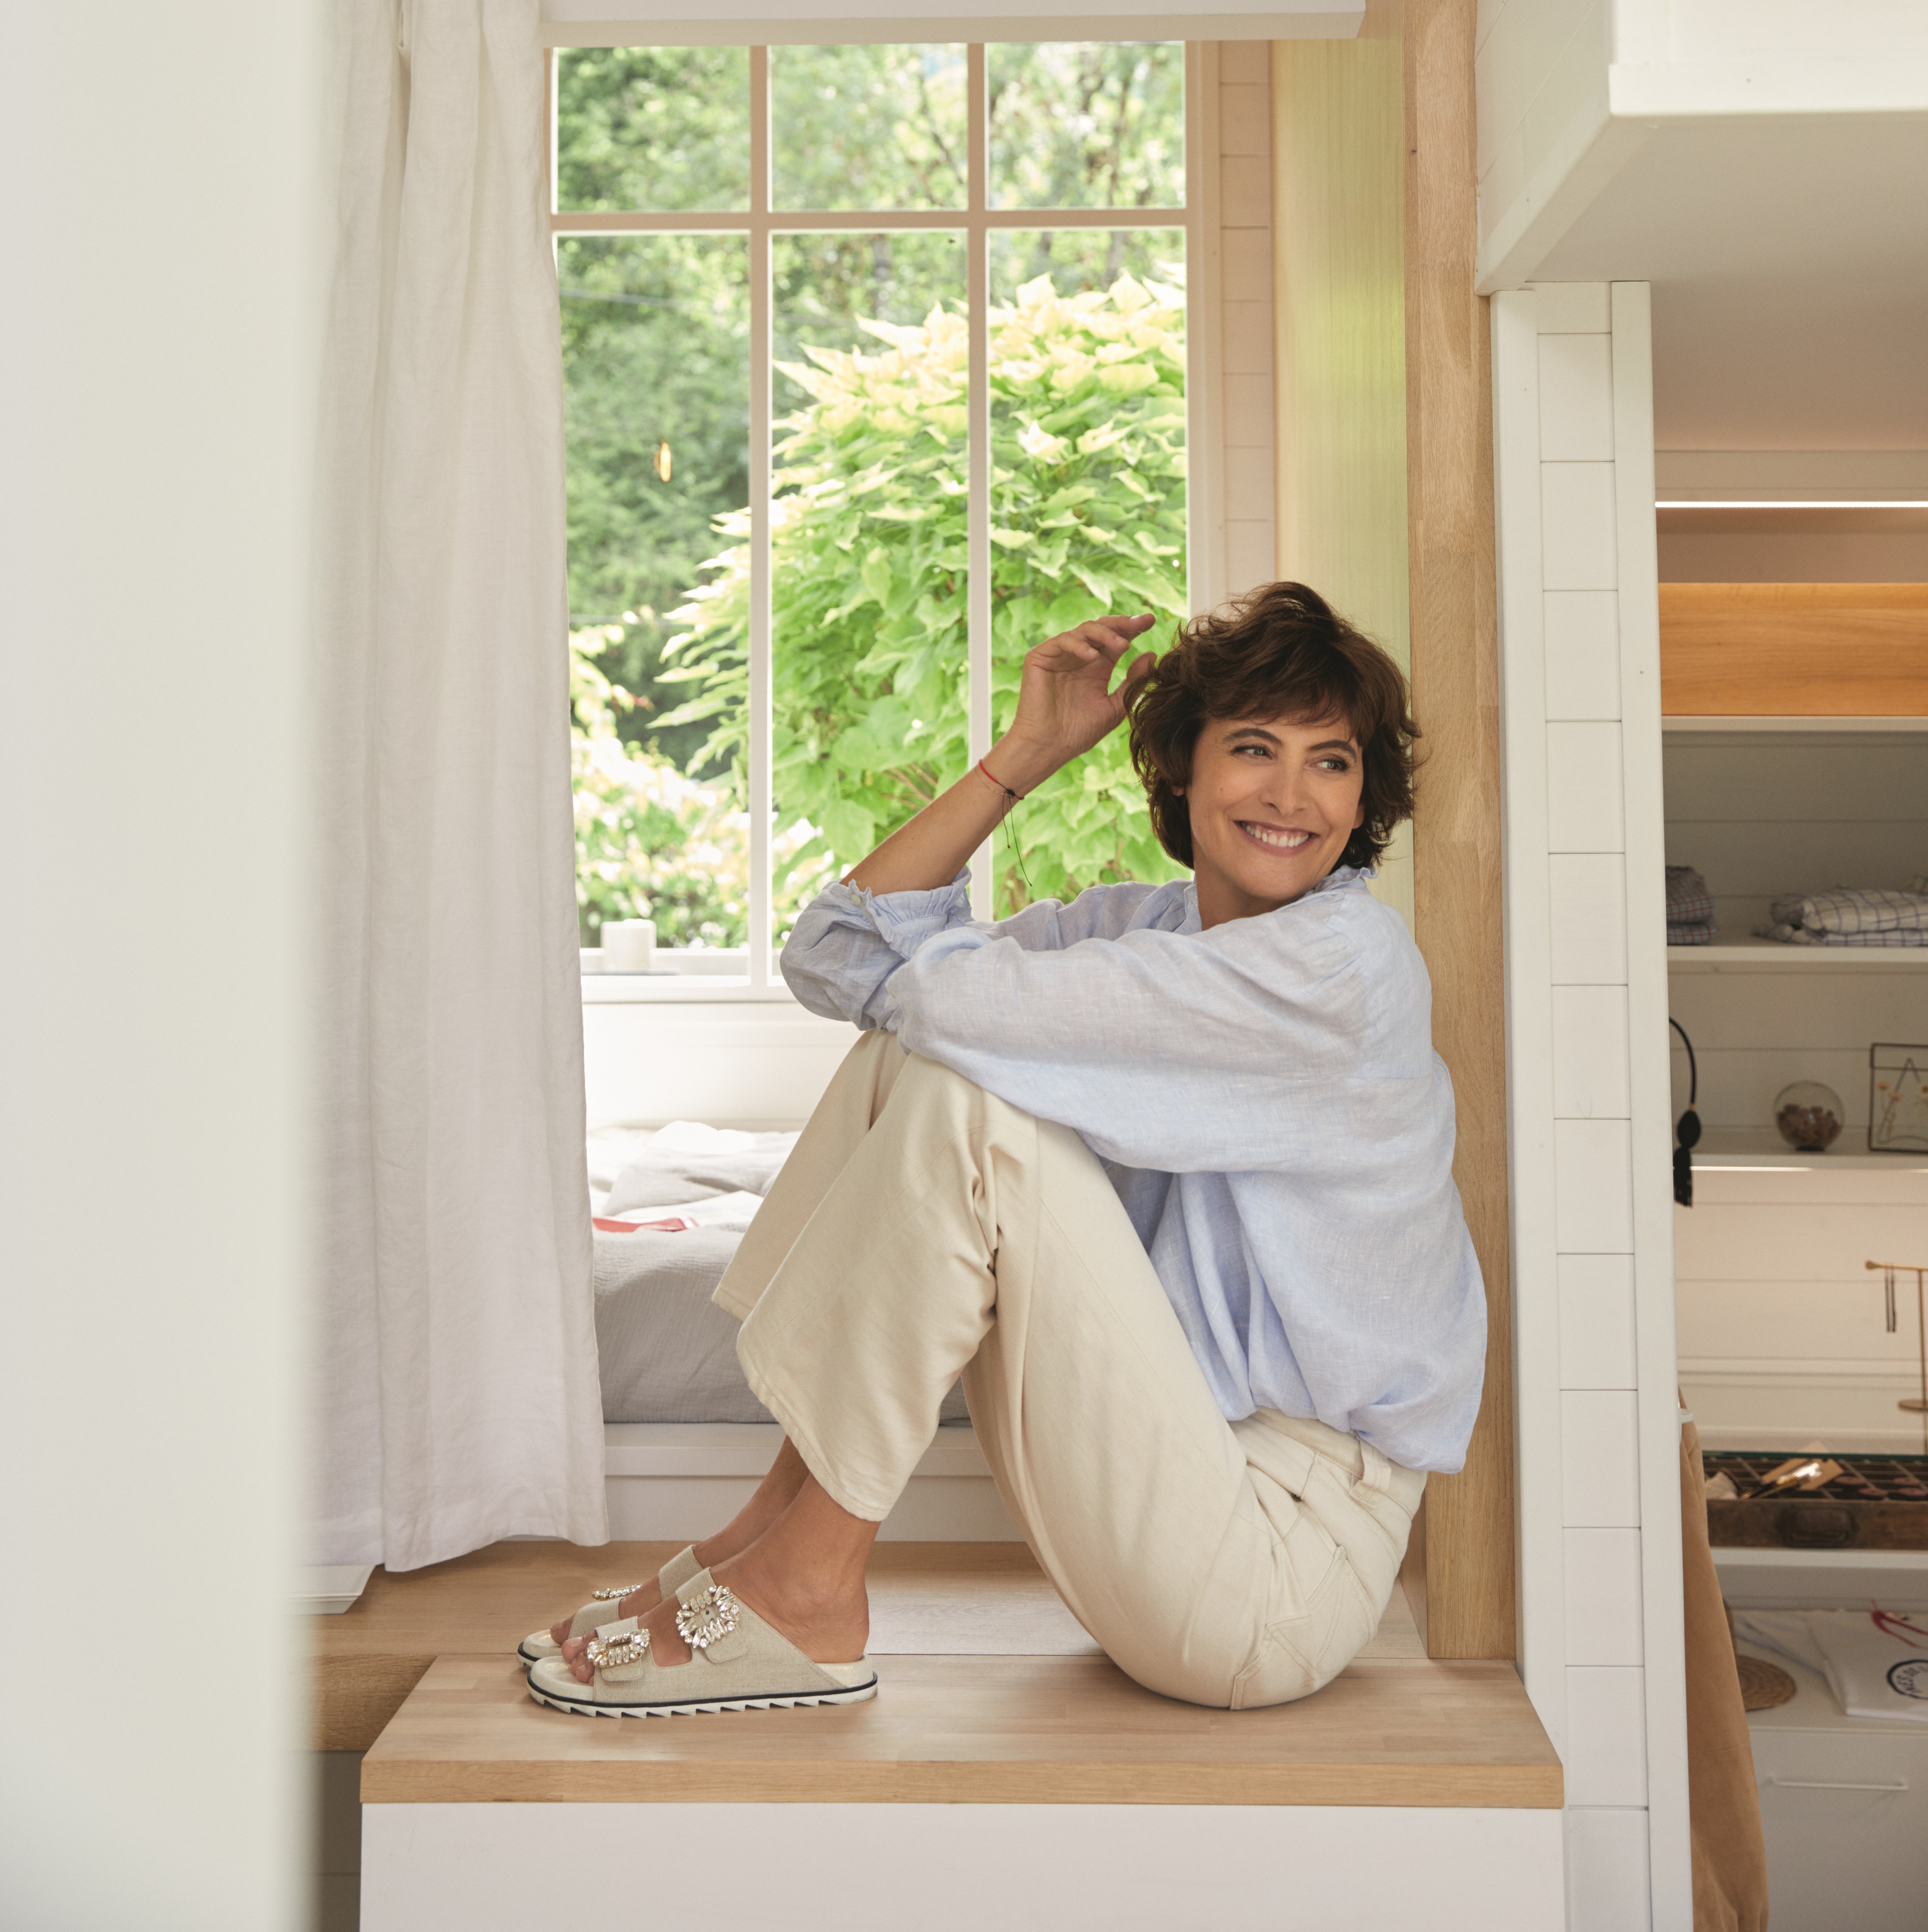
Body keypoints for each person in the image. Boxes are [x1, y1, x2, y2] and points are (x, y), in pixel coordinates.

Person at [524, 581, 1487, 1719]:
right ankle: (771, 1540)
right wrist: (1025, 753)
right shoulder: (1149, 928)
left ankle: (807, 1586)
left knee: (971, 1098)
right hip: (1172, 1482)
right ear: (1182, 767)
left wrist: (943, 1004)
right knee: (930, 1061)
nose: (1292, 795)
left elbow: (918, 1000)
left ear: (1364, 791)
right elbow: (838, 957)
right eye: (1255, 748)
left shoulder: (1344, 967)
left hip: (1278, 1573)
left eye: (1332, 761)